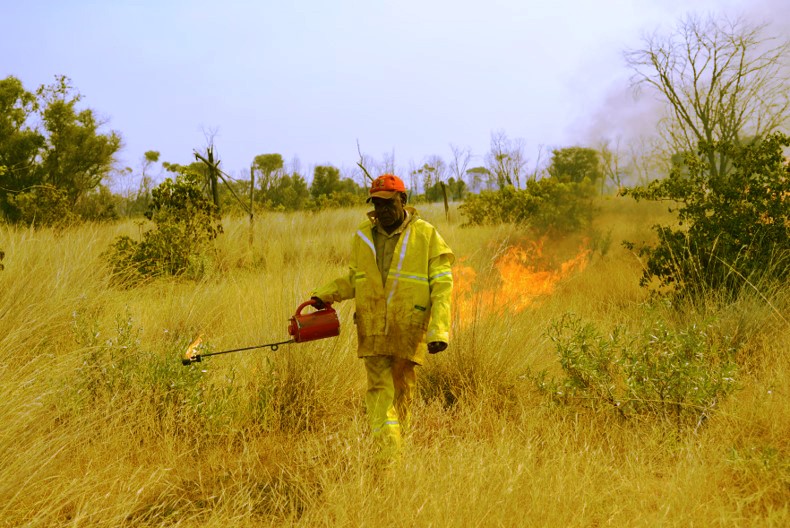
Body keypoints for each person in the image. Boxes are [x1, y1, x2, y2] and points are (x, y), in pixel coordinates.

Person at [311, 173, 454, 462]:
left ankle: (397, 454)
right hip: (373, 326)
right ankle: (388, 457)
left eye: (388, 204)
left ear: (404, 200)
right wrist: (325, 294)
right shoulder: (363, 234)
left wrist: (439, 332)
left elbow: (442, 285)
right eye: (377, 204)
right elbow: (356, 278)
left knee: (401, 393)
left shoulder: (426, 234)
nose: (383, 211)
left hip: (408, 327)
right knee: (378, 391)